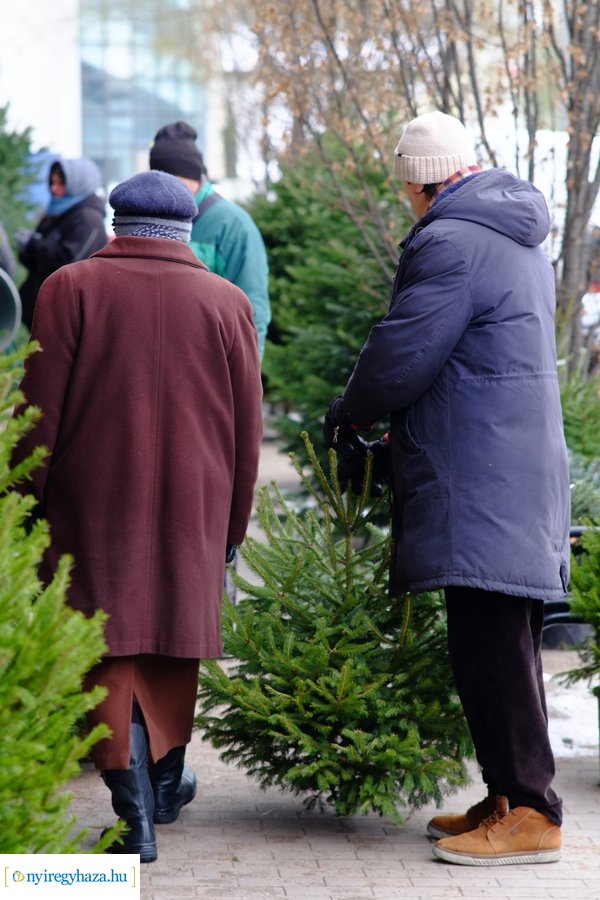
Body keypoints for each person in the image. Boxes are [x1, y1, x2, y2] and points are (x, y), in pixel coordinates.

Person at [323, 110, 570, 867]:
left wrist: (346, 414)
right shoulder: (511, 232)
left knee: (494, 647)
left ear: (415, 180)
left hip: (484, 474)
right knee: (494, 642)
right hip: (507, 465)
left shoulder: (452, 241)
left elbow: (401, 353)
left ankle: (534, 810)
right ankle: (507, 795)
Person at [12, 170, 264, 862]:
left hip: (91, 502)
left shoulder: (69, 289)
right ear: (186, 232)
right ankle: (156, 792)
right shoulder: (228, 303)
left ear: (119, 225)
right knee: (169, 647)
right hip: (195, 505)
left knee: (105, 650)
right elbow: (248, 432)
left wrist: (21, 498)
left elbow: (36, 417)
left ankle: (135, 815)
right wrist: (233, 526)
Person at [149, 120, 271, 360]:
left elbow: (253, 310)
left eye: (175, 181)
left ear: (194, 175)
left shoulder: (233, 225)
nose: (167, 191)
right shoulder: (150, 217)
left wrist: (244, 379)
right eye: (160, 181)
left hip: (209, 366)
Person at [16, 156, 108, 330]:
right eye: (52, 182)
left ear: (77, 185)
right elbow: (36, 264)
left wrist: (34, 245)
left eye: (60, 184)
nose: (54, 189)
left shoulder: (88, 219)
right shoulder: (56, 213)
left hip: (60, 318)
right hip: (37, 310)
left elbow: (70, 262)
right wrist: (26, 248)